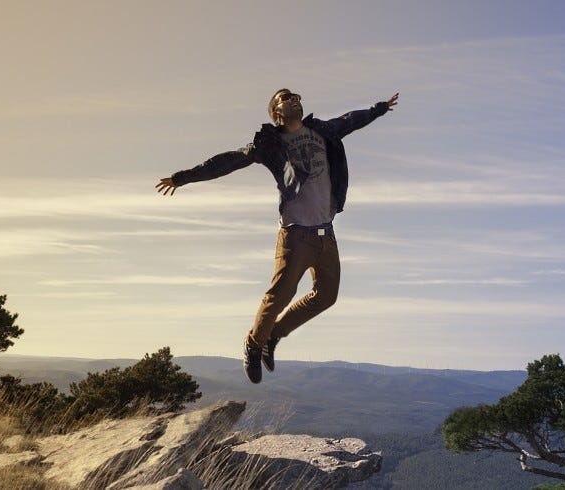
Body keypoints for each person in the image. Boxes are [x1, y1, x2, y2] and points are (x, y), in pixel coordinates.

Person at [157, 89, 399, 383]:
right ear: (275, 112)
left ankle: (273, 336)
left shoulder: (323, 130)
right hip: (296, 234)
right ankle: (253, 344)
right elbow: (227, 162)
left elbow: (351, 119)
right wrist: (183, 178)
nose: (293, 98)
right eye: (285, 97)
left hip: (326, 234)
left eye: (295, 95)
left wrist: (379, 108)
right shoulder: (269, 144)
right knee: (280, 296)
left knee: (326, 296)